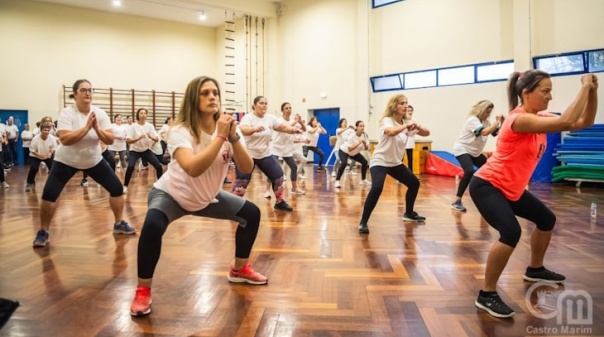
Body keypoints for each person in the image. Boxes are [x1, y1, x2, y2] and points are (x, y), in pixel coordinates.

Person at [129, 76, 267, 317]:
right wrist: (221, 138)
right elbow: (192, 168)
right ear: (194, 98)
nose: (212, 96)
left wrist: (233, 138)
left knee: (251, 214)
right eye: (205, 93)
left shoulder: (228, 130)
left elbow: (246, 167)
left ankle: (238, 269)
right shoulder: (180, 131)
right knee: (152, 225)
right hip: (171, 195)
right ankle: (143, 289)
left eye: (215, 92)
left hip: (206, 197)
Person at [470, 71, 598, 318]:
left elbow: (584, 121)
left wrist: (592, 91)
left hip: (512, 189)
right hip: (488, 185)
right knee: (511, 232)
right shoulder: (518, 120)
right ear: (526, 94)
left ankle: (535, 269)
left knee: (546, 220)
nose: (550, 97)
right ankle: (486, 294)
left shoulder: (538, 116)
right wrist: (583, 86)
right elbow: (567, 123)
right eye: (545, 91)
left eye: (551, 91)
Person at [32, 79, 134, 248]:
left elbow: (108, 139)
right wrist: (87, 128)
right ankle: (43, 231)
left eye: (90, 90)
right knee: (49, 194)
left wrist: (96, 128)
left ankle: (118, 224)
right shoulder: (67, 113)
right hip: (66, 160)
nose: (88, 93)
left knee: (116, 189)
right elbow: (65, 139)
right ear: (75, 94)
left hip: (93, 160)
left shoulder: (99, 113)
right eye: (83, 90)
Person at [358, 94, 430, 234]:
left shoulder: (407, 122)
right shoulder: (387, 120)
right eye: (402, 103)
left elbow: (427, 133)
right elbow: (390, 132)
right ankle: (363, 222)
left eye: (406, 103)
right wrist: (406, 126)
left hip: (395, 163)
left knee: (414, 183)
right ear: (394, 106)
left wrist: (418, 126)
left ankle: (409, 214)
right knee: (377, 187)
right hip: (380, 161)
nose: (405, 106)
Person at [232, 96, 302, 212]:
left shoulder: (270, 118)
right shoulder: (248, 118)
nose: (264, 105)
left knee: (279, 177)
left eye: (265, 103)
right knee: (242, 182)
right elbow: (243, 130)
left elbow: (282, 127)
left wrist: (294, 130)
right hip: (248, 154)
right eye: (261, 103)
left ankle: (279, 202)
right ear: (254, 105)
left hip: (265, 153)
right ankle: (233, 206)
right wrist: (254, 129)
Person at [451, 100, 504, 212]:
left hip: (475, 153)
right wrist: (497, 122)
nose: (488, 114)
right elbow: (484, 132)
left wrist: (501, 123)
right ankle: (457, 201)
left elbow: (494, 133)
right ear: (480, 110)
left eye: (490, 112)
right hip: (462, 149)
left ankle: (488, 197)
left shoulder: (486, 122)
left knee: (489, 170)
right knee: (469, 170)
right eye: (486, 112)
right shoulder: (472, 120)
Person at [264, 102, 307, 196]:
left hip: (287, 148)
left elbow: (304, 130)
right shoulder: (279, 120)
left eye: (290, 108)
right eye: (286, 108)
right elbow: (286, 127)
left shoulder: (293, 121)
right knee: (272, 168)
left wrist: (300, 122)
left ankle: (294, 188)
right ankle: (267, 190)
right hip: (276, 147)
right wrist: (296, 121)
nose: (289, 109)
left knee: (294, 167)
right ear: (282, 110)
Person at [123, 108, 163, 193]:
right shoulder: (133, 126)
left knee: (158, 166)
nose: (143, 115)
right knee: (130, 166)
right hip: (134, 151)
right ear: (138, 115)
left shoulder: (150, 126)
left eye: (145, 113)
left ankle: (161, 186)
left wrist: (151, 137)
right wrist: (138, 138)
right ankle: (125, 186)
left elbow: (156, 139)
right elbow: (128, 141)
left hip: (145, 150)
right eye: (141, 113)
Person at [334, 120, 371, 188]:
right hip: (344, 151)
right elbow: (349, 149)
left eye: (363, 126)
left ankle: (363, 180)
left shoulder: (365, 135)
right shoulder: (352, 136)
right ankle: (337, 181)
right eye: (360, 126)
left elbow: (366, 148)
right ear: (356, 127)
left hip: (354, 153)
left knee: (365, 162)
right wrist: (359, 143)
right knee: (344, 163)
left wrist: (364, 143)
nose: (362, 127)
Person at [25, 123, 57, 192]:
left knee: (53, 169)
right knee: (34, 168)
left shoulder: (51, 138)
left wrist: (50, 153)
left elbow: (53, 148)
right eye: (45, 130)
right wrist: (39, 155)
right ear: (41, 130)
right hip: (35, 156)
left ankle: (53, 184)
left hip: (47, 155)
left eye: (48, 130)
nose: (46, 132)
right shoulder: (36, 139)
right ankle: (30, 183)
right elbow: (32, 150)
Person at [404, 105, 416, 172]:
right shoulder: (404, 120)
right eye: (408, 111)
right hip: (403, 142)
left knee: (410, 159)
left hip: (410, 142)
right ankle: (399, 177)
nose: (409, 112)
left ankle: (411, 174)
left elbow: (415, 130)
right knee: (401, 159)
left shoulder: (414, 120)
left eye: (411, 111)